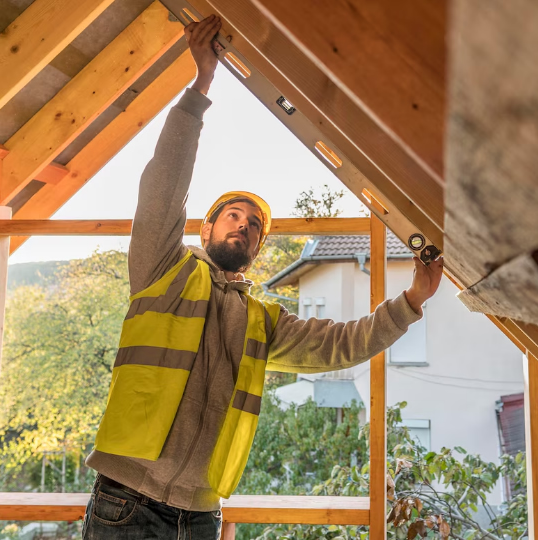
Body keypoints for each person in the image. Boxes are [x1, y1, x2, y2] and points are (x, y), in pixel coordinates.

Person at [81, 14, 444, 540]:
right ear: (205, 227)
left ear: (256, 249)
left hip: (202, 514)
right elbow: (163, 185)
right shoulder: (163, 269)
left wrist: (412, 299)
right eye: (233, 215)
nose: (244, 226)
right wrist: (200, 88)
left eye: (253, 226)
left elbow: (341, 345)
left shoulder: (261, 320)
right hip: (126, 501)